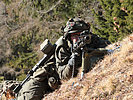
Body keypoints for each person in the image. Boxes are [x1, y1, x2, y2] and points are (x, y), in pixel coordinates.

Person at [16, 17, 111, 100]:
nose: (78, 38)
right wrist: (73, 58)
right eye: (74, 36)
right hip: (47, 76)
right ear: (69, 36)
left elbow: (110, 48)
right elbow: (63, 76)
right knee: (31, 96)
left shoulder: (90, 39)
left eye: (80, 34)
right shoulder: (62, 46)